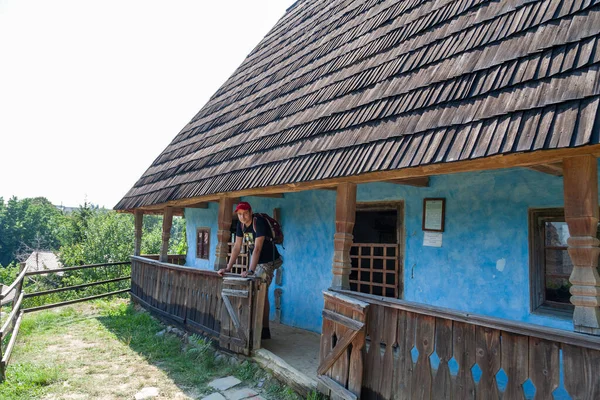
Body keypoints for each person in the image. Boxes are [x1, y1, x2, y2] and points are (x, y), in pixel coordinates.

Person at [218, 201, 282, 339]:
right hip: (258, 262)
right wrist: (228, 267)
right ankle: (263, 330)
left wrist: (251, 271)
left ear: (250, 212)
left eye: (245, 213)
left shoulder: (258, 222)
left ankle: (262, 330)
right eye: (239, 214)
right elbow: (236, 247)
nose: (242, 217)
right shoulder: (241, 225)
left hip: (269, 261)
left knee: (258, 289)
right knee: (262, 293)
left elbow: (257, 248)